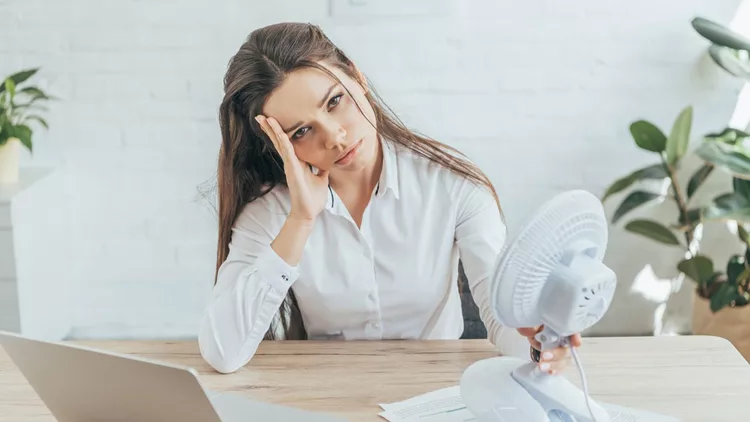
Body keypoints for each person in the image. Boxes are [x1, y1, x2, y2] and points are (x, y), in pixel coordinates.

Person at [198, 22, 582, 375]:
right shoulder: (271, 213)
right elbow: (223, 352)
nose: (334, 137)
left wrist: (538, 341)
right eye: (301, 132)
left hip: (435, 394)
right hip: (324, 397)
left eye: (334, 101)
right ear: (277, 145)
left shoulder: (451, 185)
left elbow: (504, 317)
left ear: (357, 76)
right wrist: (300, 221)